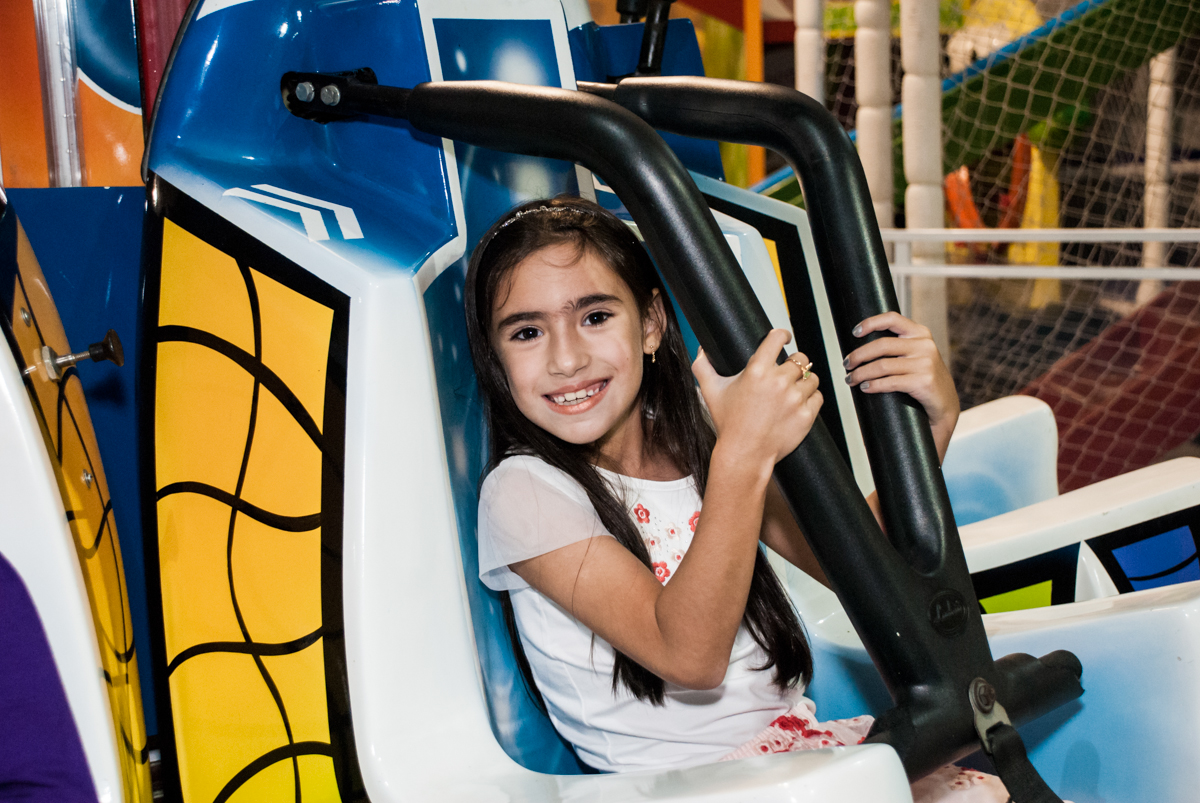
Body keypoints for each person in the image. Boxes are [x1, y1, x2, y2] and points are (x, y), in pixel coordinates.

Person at [467, 196, 1003, 801]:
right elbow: (688, 656)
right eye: (528, 332)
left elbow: (860, 565)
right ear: (496, 357)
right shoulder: (526, 491)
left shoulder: (699, 449)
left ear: (650, 324)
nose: (567, 359)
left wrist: (931, 427)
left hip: (791, 754)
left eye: (595, 317)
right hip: (686, 789)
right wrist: (745, 452)